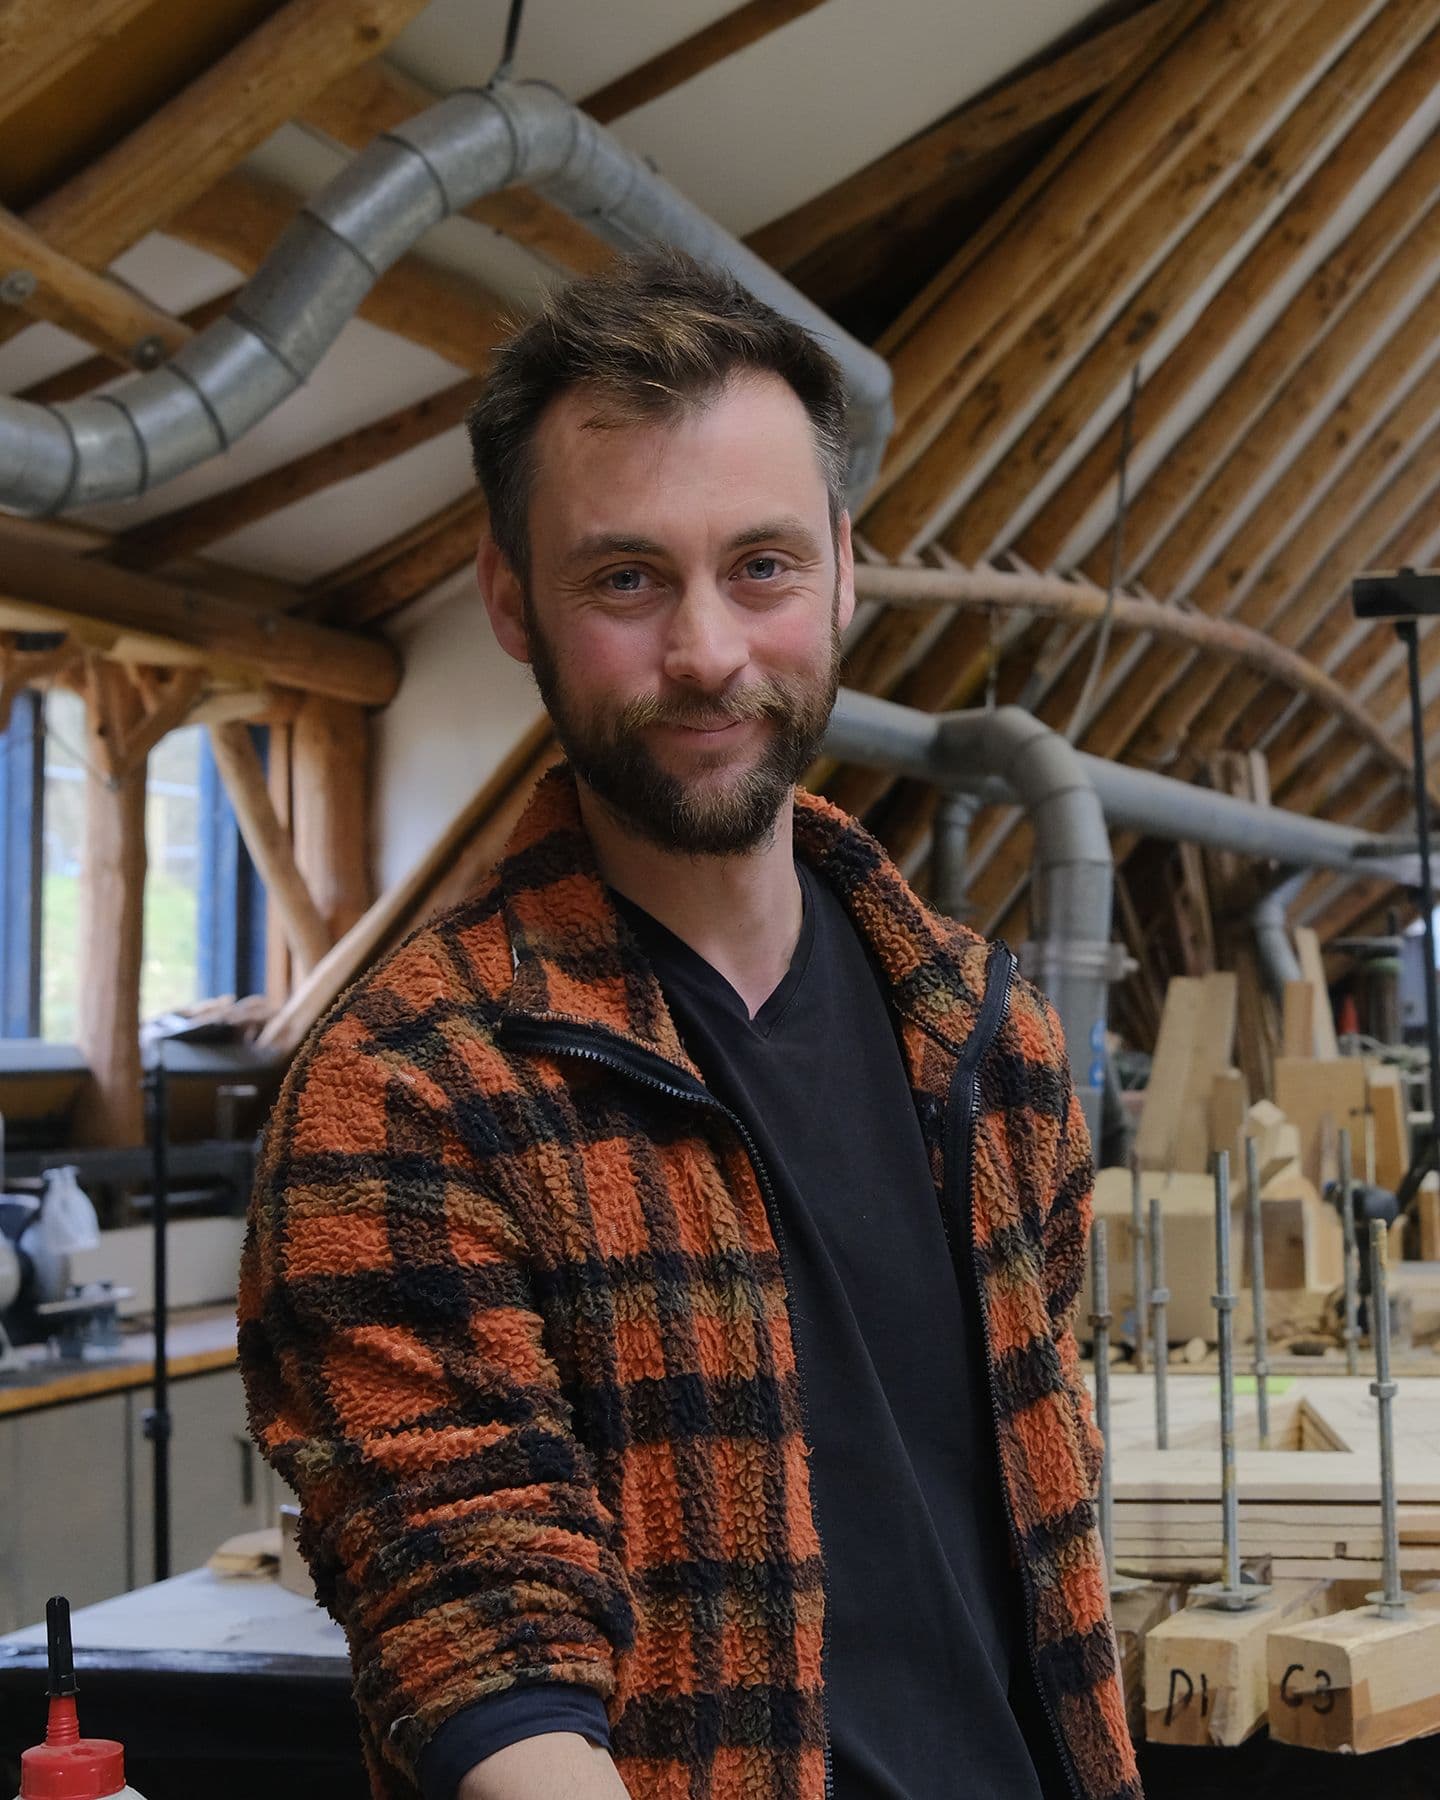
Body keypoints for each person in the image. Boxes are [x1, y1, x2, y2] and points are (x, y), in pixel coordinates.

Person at [239, 252, 1140, 1800]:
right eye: (627, 579)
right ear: (511, 597)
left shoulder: (988, 1045)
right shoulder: (409, 1092)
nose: (710, 652)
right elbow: (484, 1649)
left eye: (764, 567)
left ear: (846, 570)